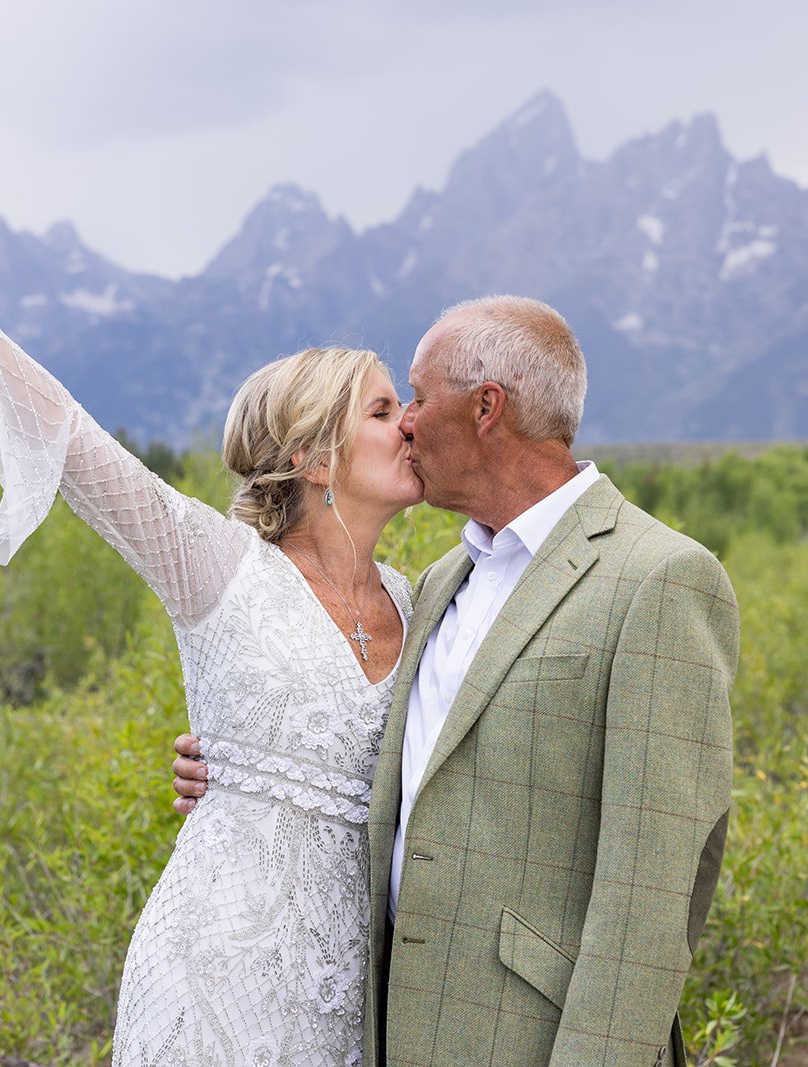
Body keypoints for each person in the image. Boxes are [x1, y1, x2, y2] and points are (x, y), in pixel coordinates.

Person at [0, 179, 425, 1065]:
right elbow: (73, 444)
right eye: (381, 410)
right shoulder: (218, 567)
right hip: (218, 976)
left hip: (354, 995)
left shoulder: (424, 600)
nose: (408, 423)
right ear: (312, 456)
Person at [175, 296, 738, 1065]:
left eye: (416, 395)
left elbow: (653, 900)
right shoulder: (434, 585)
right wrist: (240, 764)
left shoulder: (658, 577)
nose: (405, 421)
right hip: (387, 1036)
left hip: (531, 1044)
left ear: (484, 408)